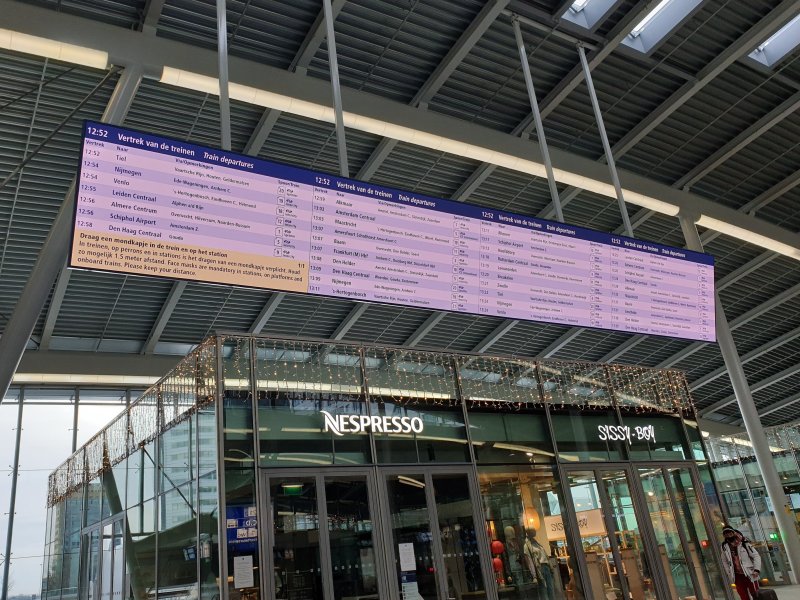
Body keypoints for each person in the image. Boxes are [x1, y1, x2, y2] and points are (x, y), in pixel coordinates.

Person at [720, 526, 762, 600]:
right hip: (737, 576)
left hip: (750, 574)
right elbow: (724, 560)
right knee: (743, 596)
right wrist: (729, 572)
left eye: (729, 533)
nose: (728, 535)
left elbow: (756, 556)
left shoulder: (744, 543)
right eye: (726, 534)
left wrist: (756, 570)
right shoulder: (724, 546)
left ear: (733, 532)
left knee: (756, 594)